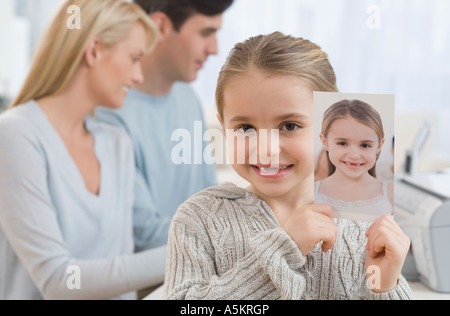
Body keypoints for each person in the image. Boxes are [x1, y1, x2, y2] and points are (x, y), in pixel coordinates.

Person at [163, 32, 414, 300]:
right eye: (245, 128)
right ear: (224, 128)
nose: (266, 149)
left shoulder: (364, 223)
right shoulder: (199, 219)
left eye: (290, 126)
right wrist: (283, 251)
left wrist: (385, 287)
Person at [0, 0, 166, 300]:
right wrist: (186, 255)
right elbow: (58, 281)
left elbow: (121, 271)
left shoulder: (117, 144)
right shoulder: (15, 135)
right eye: (134, 58)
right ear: (94, 51)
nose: (138, 76)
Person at [95, 0, 234, 252]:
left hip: (201, 266)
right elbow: (144, 233)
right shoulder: (108, 114)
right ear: (160, 26)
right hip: (152, 279)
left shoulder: (187, 98)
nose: (214, 49)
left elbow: (210, 198)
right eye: (206, 32)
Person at [316, 99, 393, 223]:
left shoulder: (390, 194)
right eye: (342, 143)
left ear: (379, 145)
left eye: (365, 145)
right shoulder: (311, 194)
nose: (354, 155)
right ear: (324, 141)